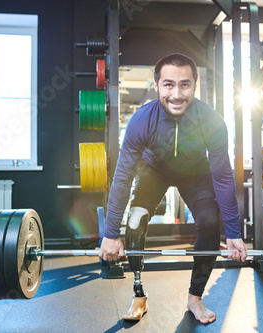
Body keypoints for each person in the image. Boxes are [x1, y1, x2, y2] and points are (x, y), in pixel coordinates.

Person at [98, 53, 247, 324]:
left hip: (195, 172)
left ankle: (195, 298)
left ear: (194, 86)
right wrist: (110, 234)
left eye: (184, 85)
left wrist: (234, 232)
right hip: (154, 170)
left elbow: (223, 177)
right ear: (156, 86)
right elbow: (122, 177)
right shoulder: (141, 121)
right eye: (168, 85)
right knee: (134, 222)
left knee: (211, 222)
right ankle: (139, 295)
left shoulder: (212, 122)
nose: (176, 94)